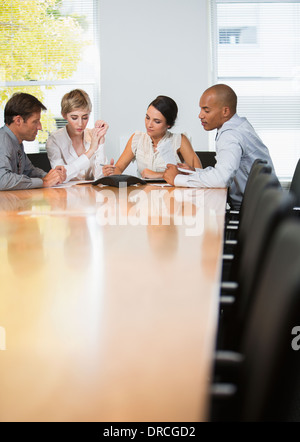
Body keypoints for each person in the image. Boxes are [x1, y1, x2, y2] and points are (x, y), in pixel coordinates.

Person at [163, 84, 275, 209]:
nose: (200, 115)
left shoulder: (230, 135)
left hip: (255, 213)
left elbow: (221, 179)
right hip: (261, 208)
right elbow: (224, 172)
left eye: (206, 110)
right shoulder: (239, 126)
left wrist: (177, 179)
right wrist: (193, 173)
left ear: (225, 111)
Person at [102, 95, 202, 179]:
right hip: (144, 196)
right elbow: (119, 168)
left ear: (169, 124)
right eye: (147, 118)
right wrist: (111, 171)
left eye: (157, 121)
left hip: (171, 198)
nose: (149, 125)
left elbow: (199, 174)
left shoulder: (180, 140)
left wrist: (157, 175)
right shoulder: (137, 139)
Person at [0, 92, 66, 191]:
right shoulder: (2, 140)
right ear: (18, 120)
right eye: (35, 122)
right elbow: (3, 180)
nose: (40, 127)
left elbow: (29, 171)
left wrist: (53, 176)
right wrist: (44, 182)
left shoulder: (16, 143)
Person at [46, 89, 109, 182]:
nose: (80, 124)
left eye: (85, 117)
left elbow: (100, 176)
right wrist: (91, 150)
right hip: (65, 194)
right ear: (64, 115)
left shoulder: (93, 136)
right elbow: (61, 176)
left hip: (91, 193)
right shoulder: (54, 140)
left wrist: (101, 142)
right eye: (74, 118)